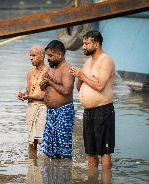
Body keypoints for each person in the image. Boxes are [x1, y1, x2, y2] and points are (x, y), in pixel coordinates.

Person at [69, 30, 115, 171]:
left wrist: (81, 75)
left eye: (86, 43)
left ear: (97, 44)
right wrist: (77, 77)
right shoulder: (88, 62)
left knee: (104, 151)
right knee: (90, 152)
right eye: (83, 43)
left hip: (103, 111)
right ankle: (92, 179)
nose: (83, 46)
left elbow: (100, 86)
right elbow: (81, 87)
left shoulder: (106, 60)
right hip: (88, 112)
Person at [40, 40, 75, 159]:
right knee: (48, 148)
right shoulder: (51, 68)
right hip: (51, 113)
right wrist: (43, 83)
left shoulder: (67, 69)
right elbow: (42, 87)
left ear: (59, 55)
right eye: (47, 56)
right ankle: (51, 175)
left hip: (64, 112)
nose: (47, 59)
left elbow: (66, 91)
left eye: (50, 56)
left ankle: (64, 174)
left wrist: (50, 81)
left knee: (63, 147)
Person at [17, 45, 48, 159]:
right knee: (31, 142)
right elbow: (28, 91)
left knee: (44, 141)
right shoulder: (30, 73)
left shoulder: (48, 71)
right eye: (30, 55)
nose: (31, 58)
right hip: (31, 108)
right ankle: (32, 170)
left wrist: (28, 96)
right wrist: (23, 95)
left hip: (43, 108)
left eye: (34, 55)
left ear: (42, 56)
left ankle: (44, 170)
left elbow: (47, 95)